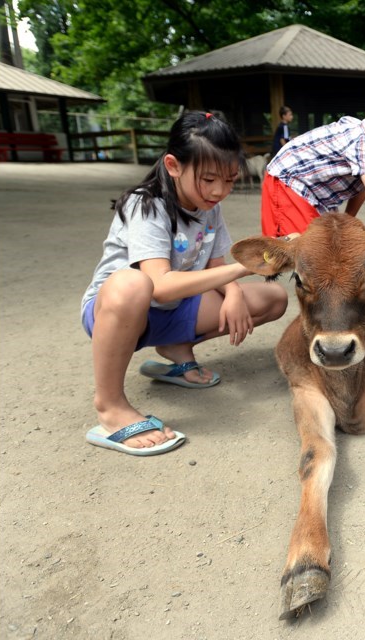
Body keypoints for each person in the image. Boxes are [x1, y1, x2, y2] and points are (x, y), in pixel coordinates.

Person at [81, 111, 290, 456]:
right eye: (209, 179)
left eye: (230, 180)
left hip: (171, 310)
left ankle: (176, 349)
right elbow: (158, 285)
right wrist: (242, 270)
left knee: (272, 297)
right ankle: (110, 406)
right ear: (174, 166)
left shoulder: (209, 208)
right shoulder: (145, 204)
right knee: (134, 284)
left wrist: (235, 293)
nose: (219, 191)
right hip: (117, 311)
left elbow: (216, 263)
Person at [260, 83, 365, 238]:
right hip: (289, 181)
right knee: (311, 252)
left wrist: (348, 220)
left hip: (315, 195)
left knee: (330, 246)